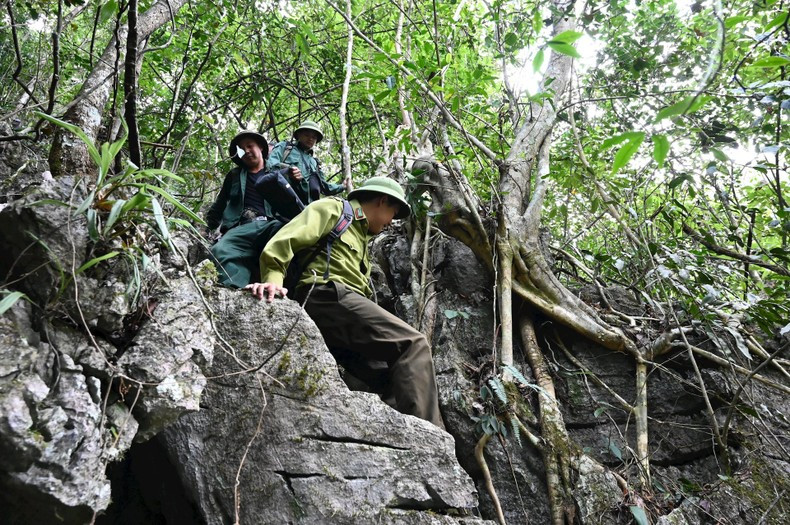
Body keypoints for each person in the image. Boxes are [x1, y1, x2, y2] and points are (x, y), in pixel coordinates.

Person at [245, 177, 445, 429]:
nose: (389, 223)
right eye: (392, 214)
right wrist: (273, 280)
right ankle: (430, 438)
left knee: (389, 377)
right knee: (413, 344)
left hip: (342, 318)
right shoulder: (333, 209)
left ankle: (402, 440)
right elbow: (286, 240)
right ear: (382, 201)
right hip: (326, 295)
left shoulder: (362, 236)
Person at [204, 130, 287, 288]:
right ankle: (235, 291)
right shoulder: (234, 175)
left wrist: (297, 179)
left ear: (261, 148)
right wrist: (208, 227)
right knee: (220, 250)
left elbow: (297, 198)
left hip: (273, 224)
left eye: (250, 146)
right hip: (242, 227)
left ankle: (275, 286)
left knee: (288, 240)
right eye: (242, 149)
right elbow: (220, 203)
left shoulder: (279, 171)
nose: (247, 151)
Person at [266, 119, 353, 202]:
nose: (310, 139)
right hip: (283, 197)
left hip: (304, 207)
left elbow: (324, 186)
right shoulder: (285, 148)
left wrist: (342, 186)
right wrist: (288, 170)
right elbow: (270, 165)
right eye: (307, 135)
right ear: (299, 135)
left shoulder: (314, 162)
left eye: (314, 137)